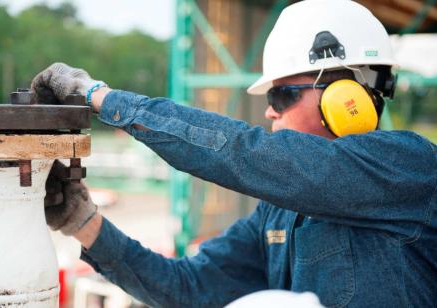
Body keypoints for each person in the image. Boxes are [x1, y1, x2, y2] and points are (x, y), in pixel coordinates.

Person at [32, 0, 437, 307]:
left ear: (348, 97)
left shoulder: (408, 168)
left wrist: (98, 96)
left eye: (283, 93)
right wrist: (83, 223)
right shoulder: (277, 212)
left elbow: (245, 151)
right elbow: (188, 286)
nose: (269, 109)